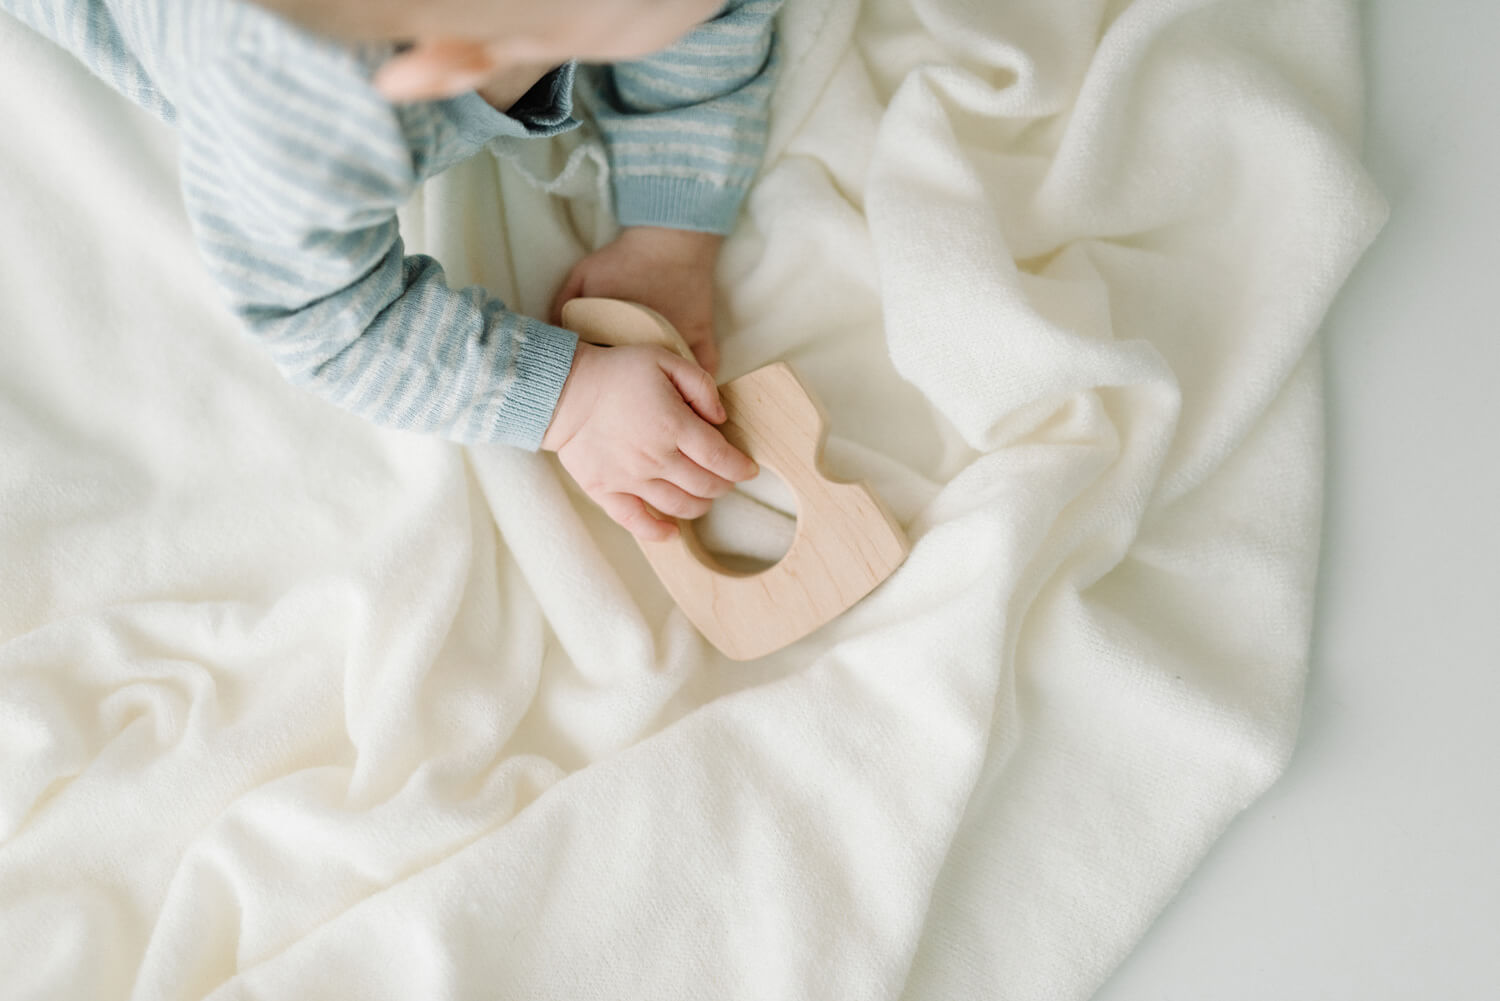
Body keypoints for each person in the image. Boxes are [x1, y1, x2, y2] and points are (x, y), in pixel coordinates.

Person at [1, 0, 781, 541]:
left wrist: (670, 232)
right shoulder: (305, 119)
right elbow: (332, 321)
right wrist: (568, 400)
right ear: (460, 63)